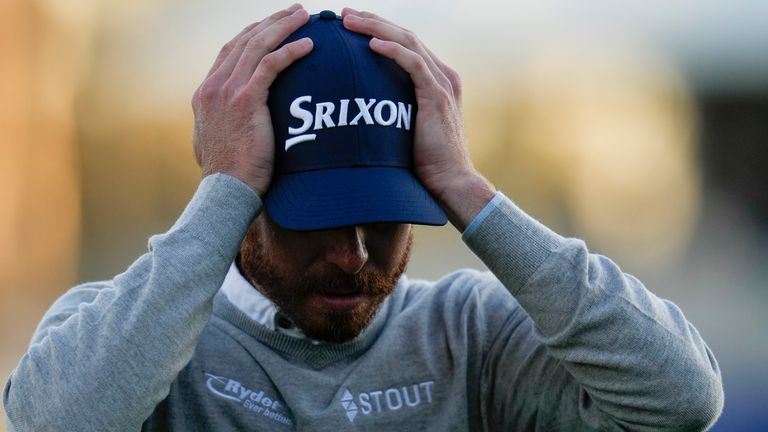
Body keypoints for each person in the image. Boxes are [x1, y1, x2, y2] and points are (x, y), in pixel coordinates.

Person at [3, 4, 723, 431]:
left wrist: (466, 188)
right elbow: (57, 421)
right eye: (315, 216)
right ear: (244, 201)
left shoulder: (469, 338)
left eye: (383, 217)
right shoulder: (136, 337)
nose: (353, 256)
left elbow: (684, 398)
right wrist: (221, 188)